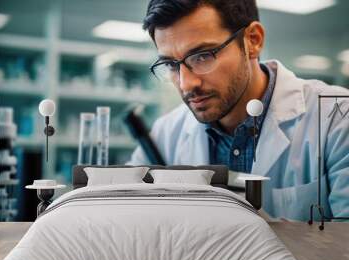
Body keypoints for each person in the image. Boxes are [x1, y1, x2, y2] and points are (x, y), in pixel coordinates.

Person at [127, 0, 349, 221]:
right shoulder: (166, 134)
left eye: (202, 56)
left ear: (253, 40)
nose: (186, 84)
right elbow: (125, 216)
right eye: (171, 65)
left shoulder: (337, 118)